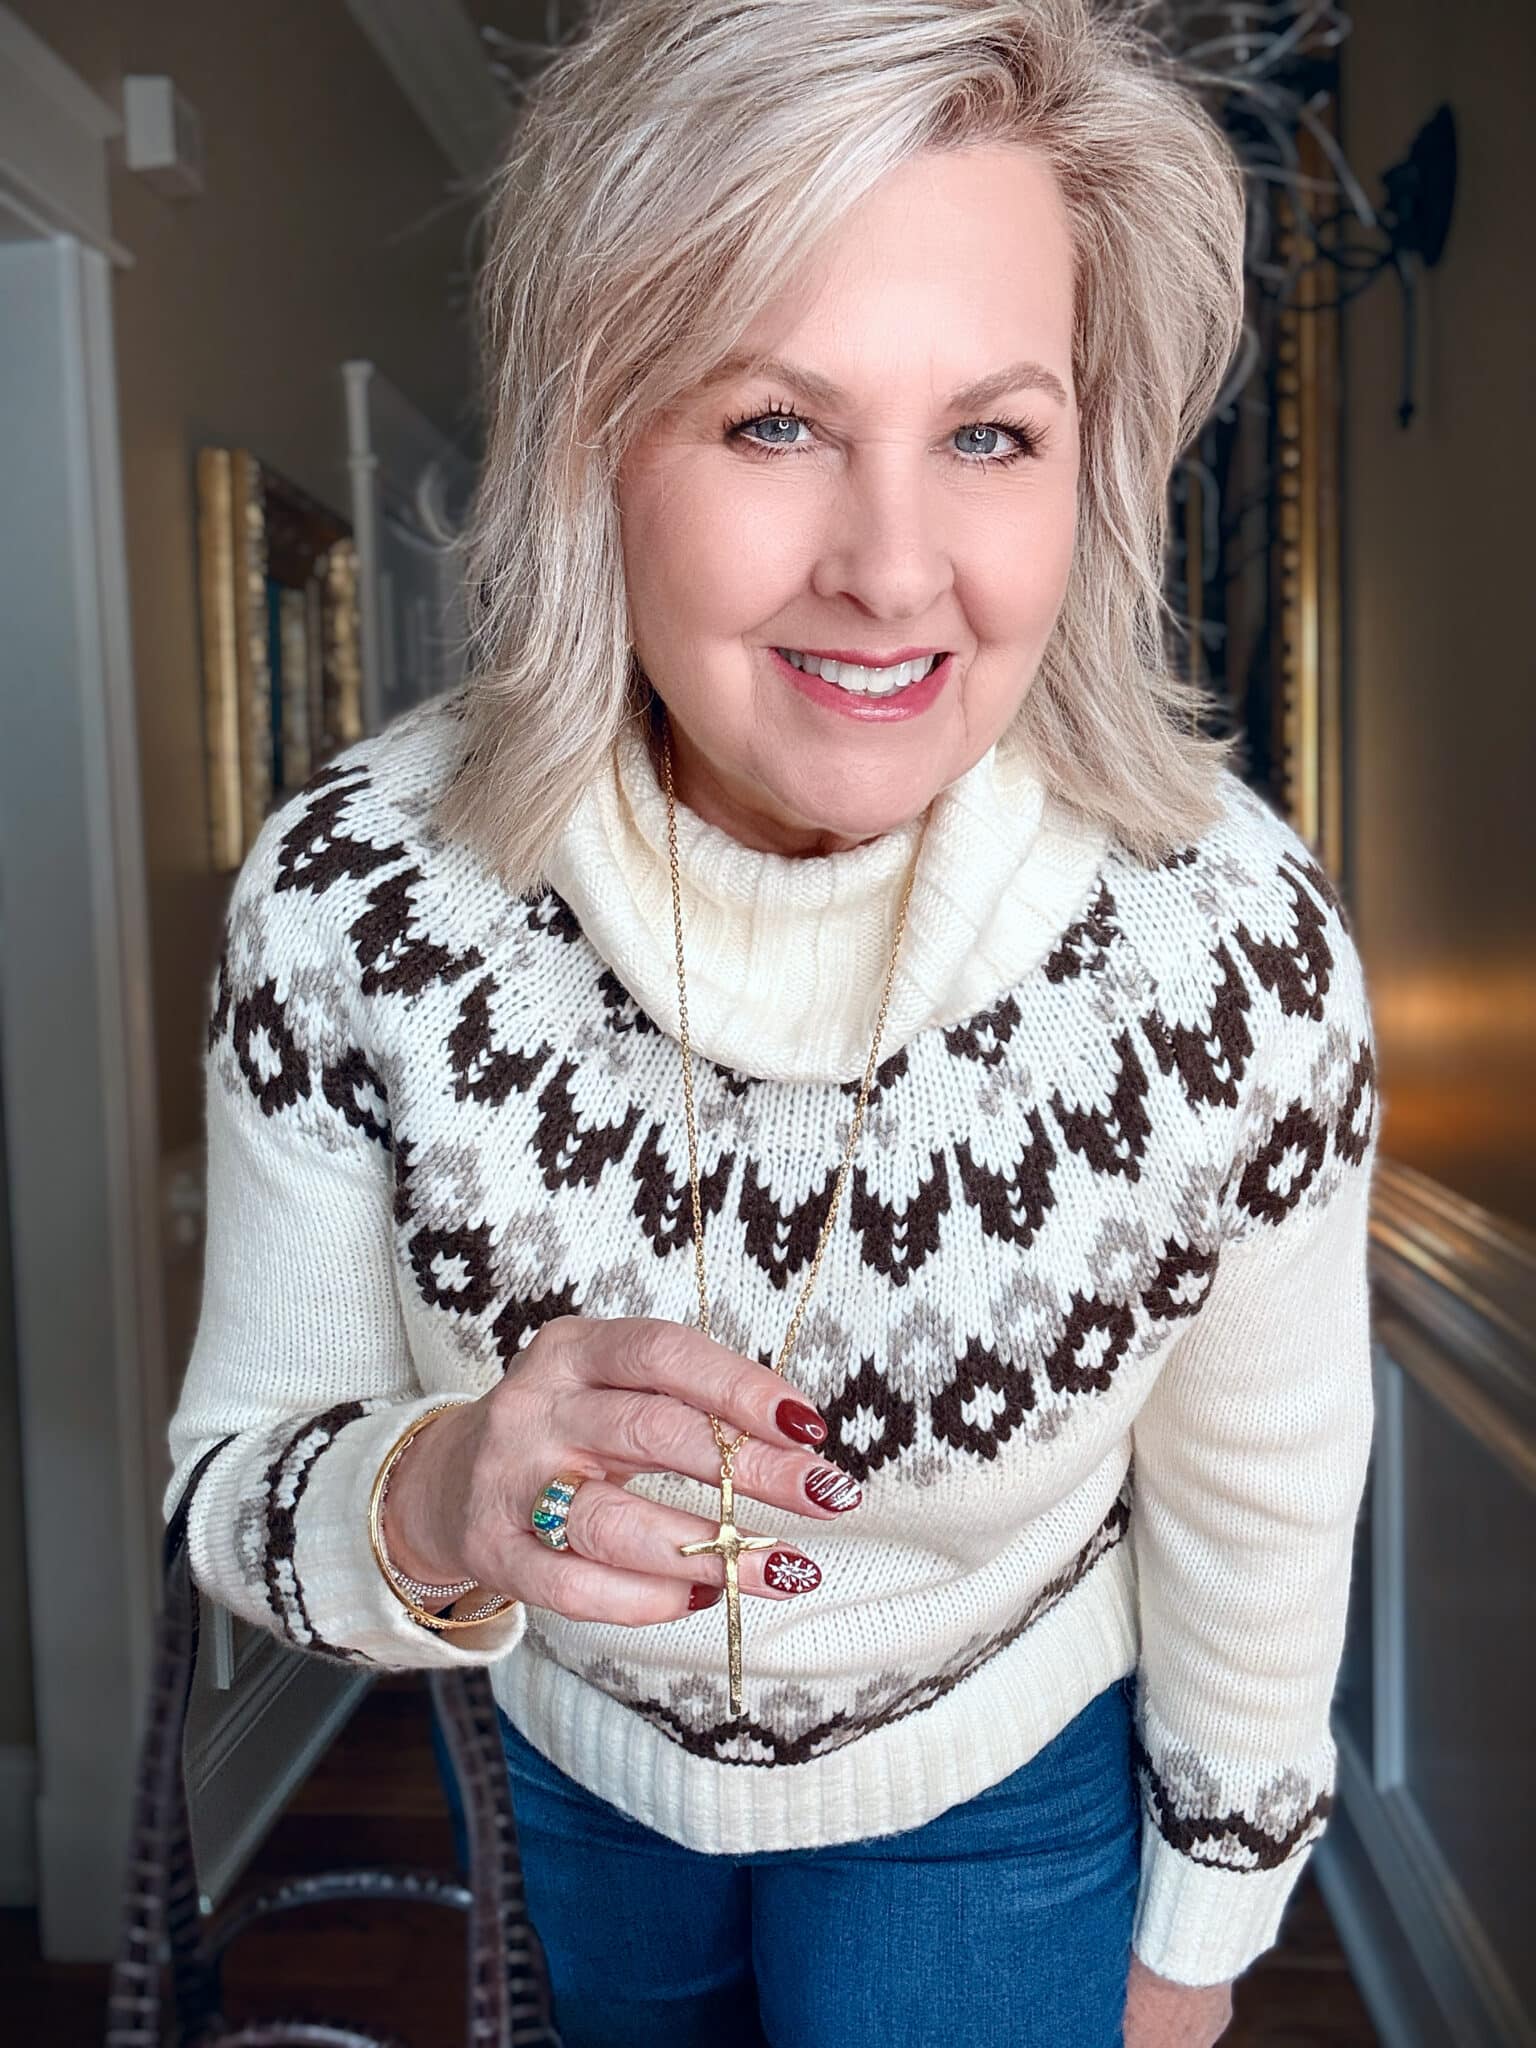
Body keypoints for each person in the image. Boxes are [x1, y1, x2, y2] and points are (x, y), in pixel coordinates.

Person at [165, 3, 1381, 2044]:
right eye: (772, 421)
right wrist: (452, 1488)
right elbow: (234, 1487)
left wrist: (1193, 1958)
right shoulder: (358, 902)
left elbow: (1265, 1494)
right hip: (569, 1780)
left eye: (991, 433)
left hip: (1002, 1806)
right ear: (592, 437)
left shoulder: (1222, 953)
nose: (895, 572)